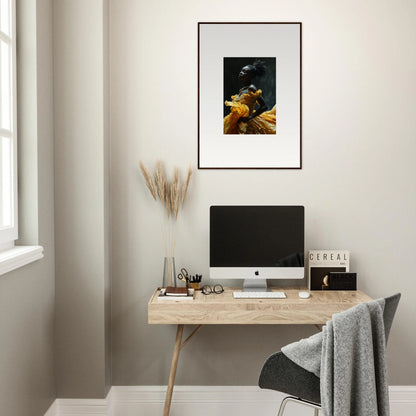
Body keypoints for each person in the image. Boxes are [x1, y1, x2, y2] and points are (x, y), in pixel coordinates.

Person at [223, 60, 276, 135]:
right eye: (241, 70)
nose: (241, 73)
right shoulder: (243, 89)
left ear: (251, 76)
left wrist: (249, 117)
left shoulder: (252, 88)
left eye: (245, 72)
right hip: (236, 121)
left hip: (247, 124)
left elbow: (264, 106)